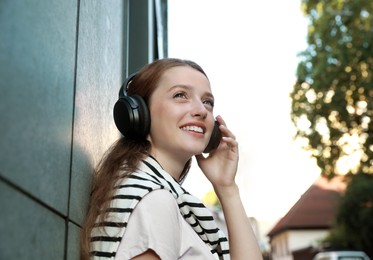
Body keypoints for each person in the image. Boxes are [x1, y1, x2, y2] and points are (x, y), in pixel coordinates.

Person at [80, 58, 262, 260]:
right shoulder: (153, 200)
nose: (201, 110)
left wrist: (227, 189)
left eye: (207, 102)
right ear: (140, 111)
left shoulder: (158, 197)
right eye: (180, 95)